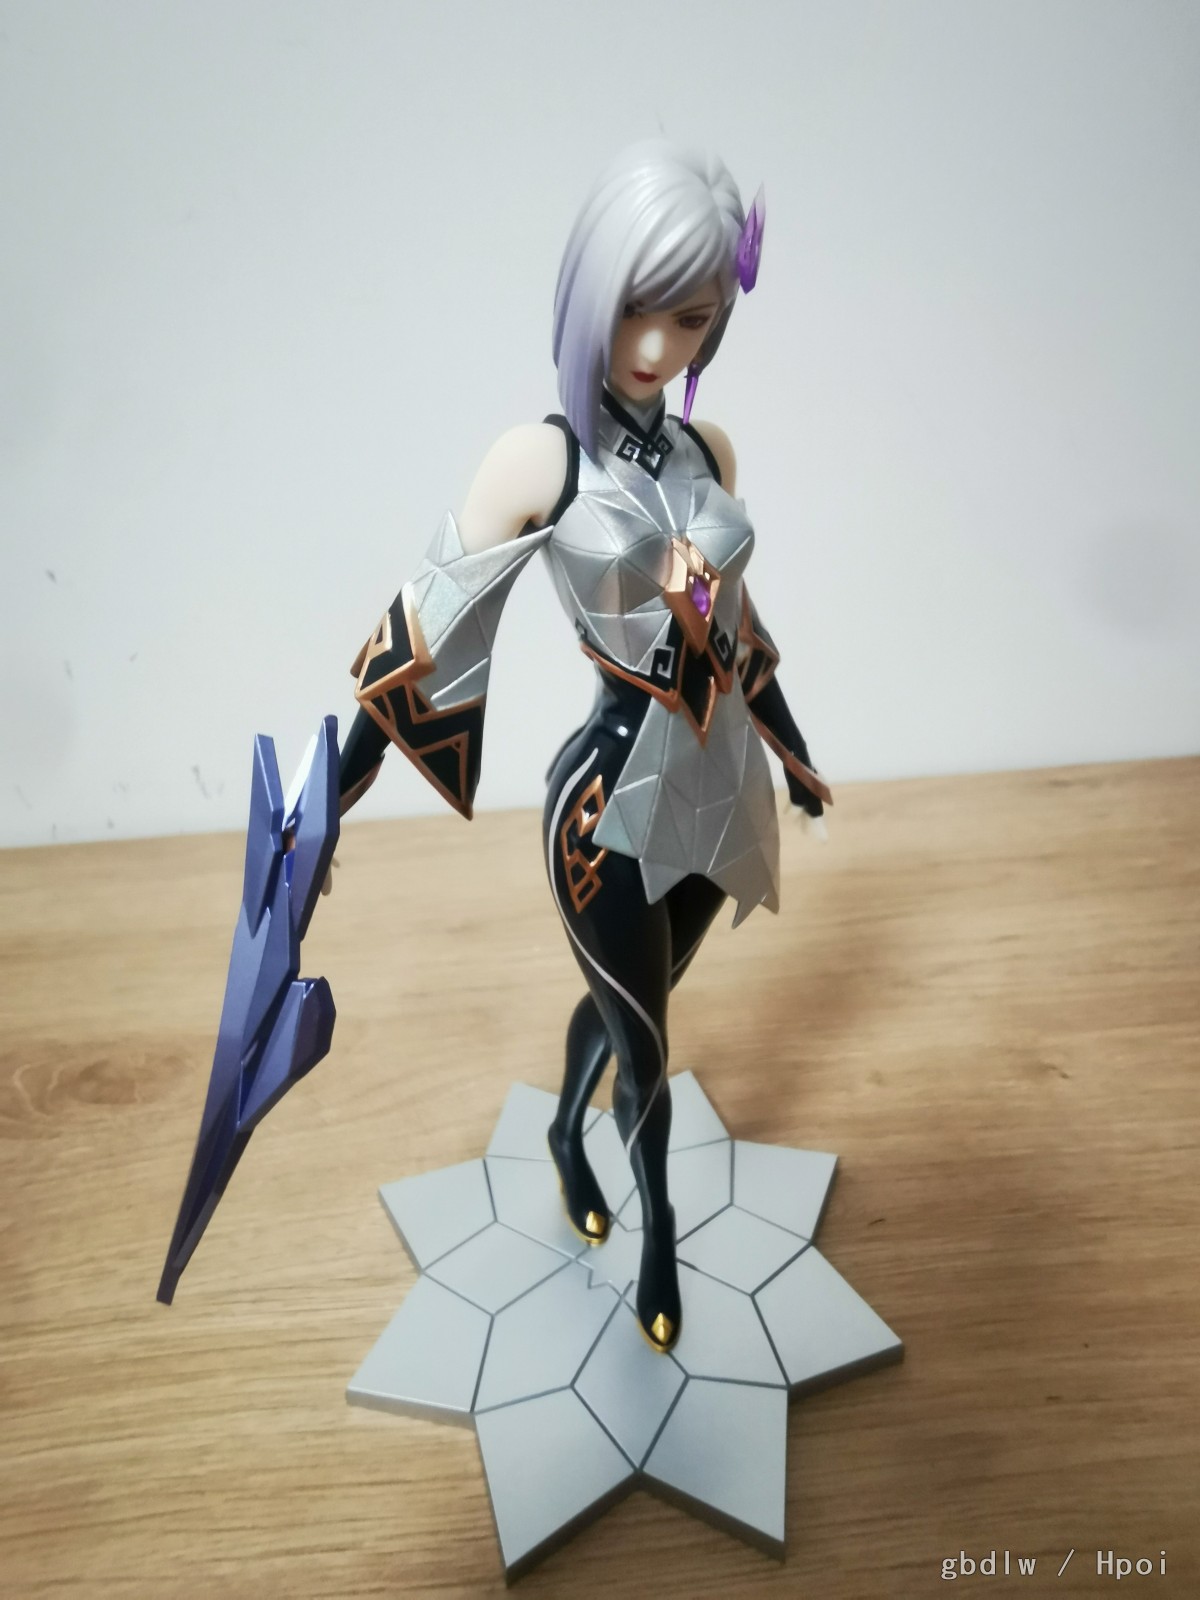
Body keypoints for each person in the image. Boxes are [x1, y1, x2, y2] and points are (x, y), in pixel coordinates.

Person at [337, 140, 829, 1353]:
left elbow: (733, 624)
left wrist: (791, 747)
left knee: (628, 1012)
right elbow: (425, 628)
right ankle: (659, 1234)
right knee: (648, 1050)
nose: (658, 347)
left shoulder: (709, 457)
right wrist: (330, 796)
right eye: (636, 312)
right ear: (590, 298)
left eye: (692, 318)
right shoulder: (542, 461)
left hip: (713, 787)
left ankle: (564, 1130)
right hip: (606, 807)